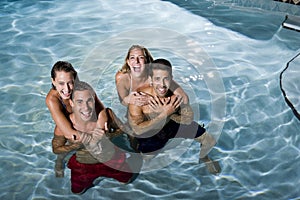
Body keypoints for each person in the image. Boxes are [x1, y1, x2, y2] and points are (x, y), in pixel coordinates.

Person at [127, 58, 221, 174]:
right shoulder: (139, 98)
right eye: (157, 79)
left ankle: (203, 158)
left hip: (172, 125)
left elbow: (188, 120)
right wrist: (164, 114)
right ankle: (134, 145)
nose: (162, 85)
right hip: (152, 132)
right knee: (146, 160)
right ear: (150, 80)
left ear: (171, 78)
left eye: (166, 79)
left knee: (209, 140)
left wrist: (170, 113)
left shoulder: (177, 96)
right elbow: (138, 129)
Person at [67, 81, 134, 194]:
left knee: (126, 180)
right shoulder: (66, 124)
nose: (86, 107)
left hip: (110, 158)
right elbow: (57, 149)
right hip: (84, 164)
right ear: (71, 103)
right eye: (79, 102)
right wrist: (82, 143)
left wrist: (108, 136)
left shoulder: (106, 114)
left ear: (94, 100)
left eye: (89, 101)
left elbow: (123, 131)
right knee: (77, 191)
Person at [45, 61, 104, 177]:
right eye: (61, 83)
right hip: (65, 125)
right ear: (53, 81)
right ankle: (59, 161)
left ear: (74, 79)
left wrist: (101, 127)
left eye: (69, 83)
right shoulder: (52, 99)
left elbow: (101, 110)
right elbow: (69, 134)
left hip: (82, 120)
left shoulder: (83, 89)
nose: (66, 89)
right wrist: (93, 139)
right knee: (63, 144)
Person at [115, 44, 189, 107]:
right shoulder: (122, 77)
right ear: (128, 62)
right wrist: (127, 100)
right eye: (132, 58)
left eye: (141, 57)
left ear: (147, 62)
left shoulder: (155, 76)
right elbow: (122, 101)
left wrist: (151, 100)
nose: (136, 61)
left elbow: (185, 99)